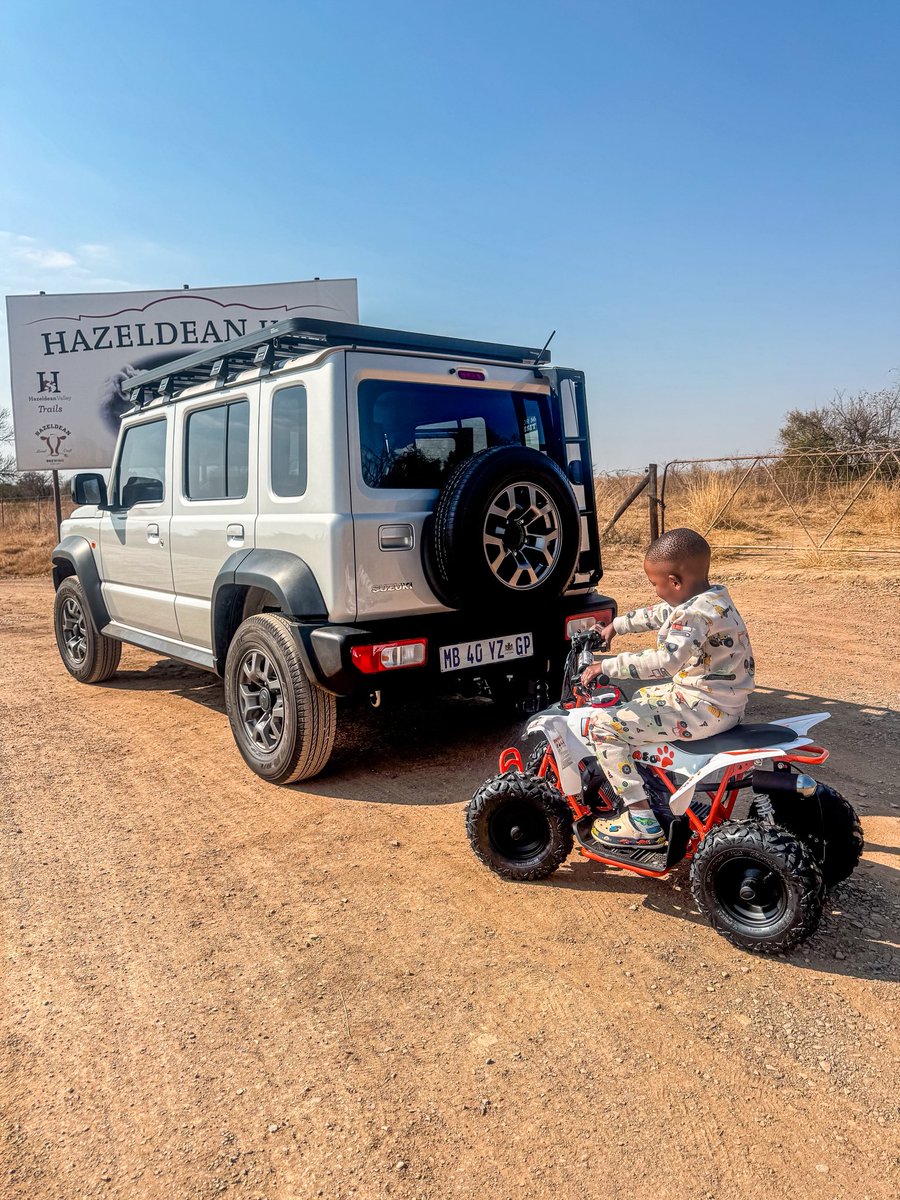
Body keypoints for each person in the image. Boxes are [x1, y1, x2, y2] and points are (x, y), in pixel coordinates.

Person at [581, 528, 755, 848]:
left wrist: (604, 666)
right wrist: (615, 627)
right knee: (641, 698)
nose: (657, 591)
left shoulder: (691, 614)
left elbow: (663, 664)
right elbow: (659, 613)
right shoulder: (711, 599)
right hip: (722, 705)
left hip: (700, 709)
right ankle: (661, 789)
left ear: (674, 581)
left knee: (603, 728)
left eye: (655, 584)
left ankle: (641, 820)